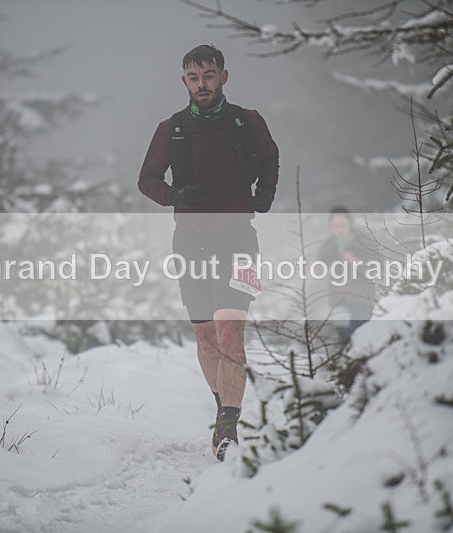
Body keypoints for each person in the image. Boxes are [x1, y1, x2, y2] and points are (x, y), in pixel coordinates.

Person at [138, 44, 279, 461]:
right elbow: (146, 179)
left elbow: (270, 158)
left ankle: (228, 427)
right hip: (190, 243)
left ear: (224, 77)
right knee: (205, 335)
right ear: (185, 82)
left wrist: (265, 192)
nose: (202, 84)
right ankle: (224, 408)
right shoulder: (172, 129)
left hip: (239, 239)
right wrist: (174, 193)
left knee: (230, 329)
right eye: (194, 78)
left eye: (209, 76)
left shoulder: (247, 122)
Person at [317, 206, 375, 342]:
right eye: (335, 226)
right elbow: (321, 263)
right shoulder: (329, 245)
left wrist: (356, 261)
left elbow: (376, 268)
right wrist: (319, 267)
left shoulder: (364, 242)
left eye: (343, 225)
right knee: (343, 338)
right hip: (338, 300)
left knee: (362, 336)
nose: (339, 230)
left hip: (362, 299)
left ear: (350, 224)